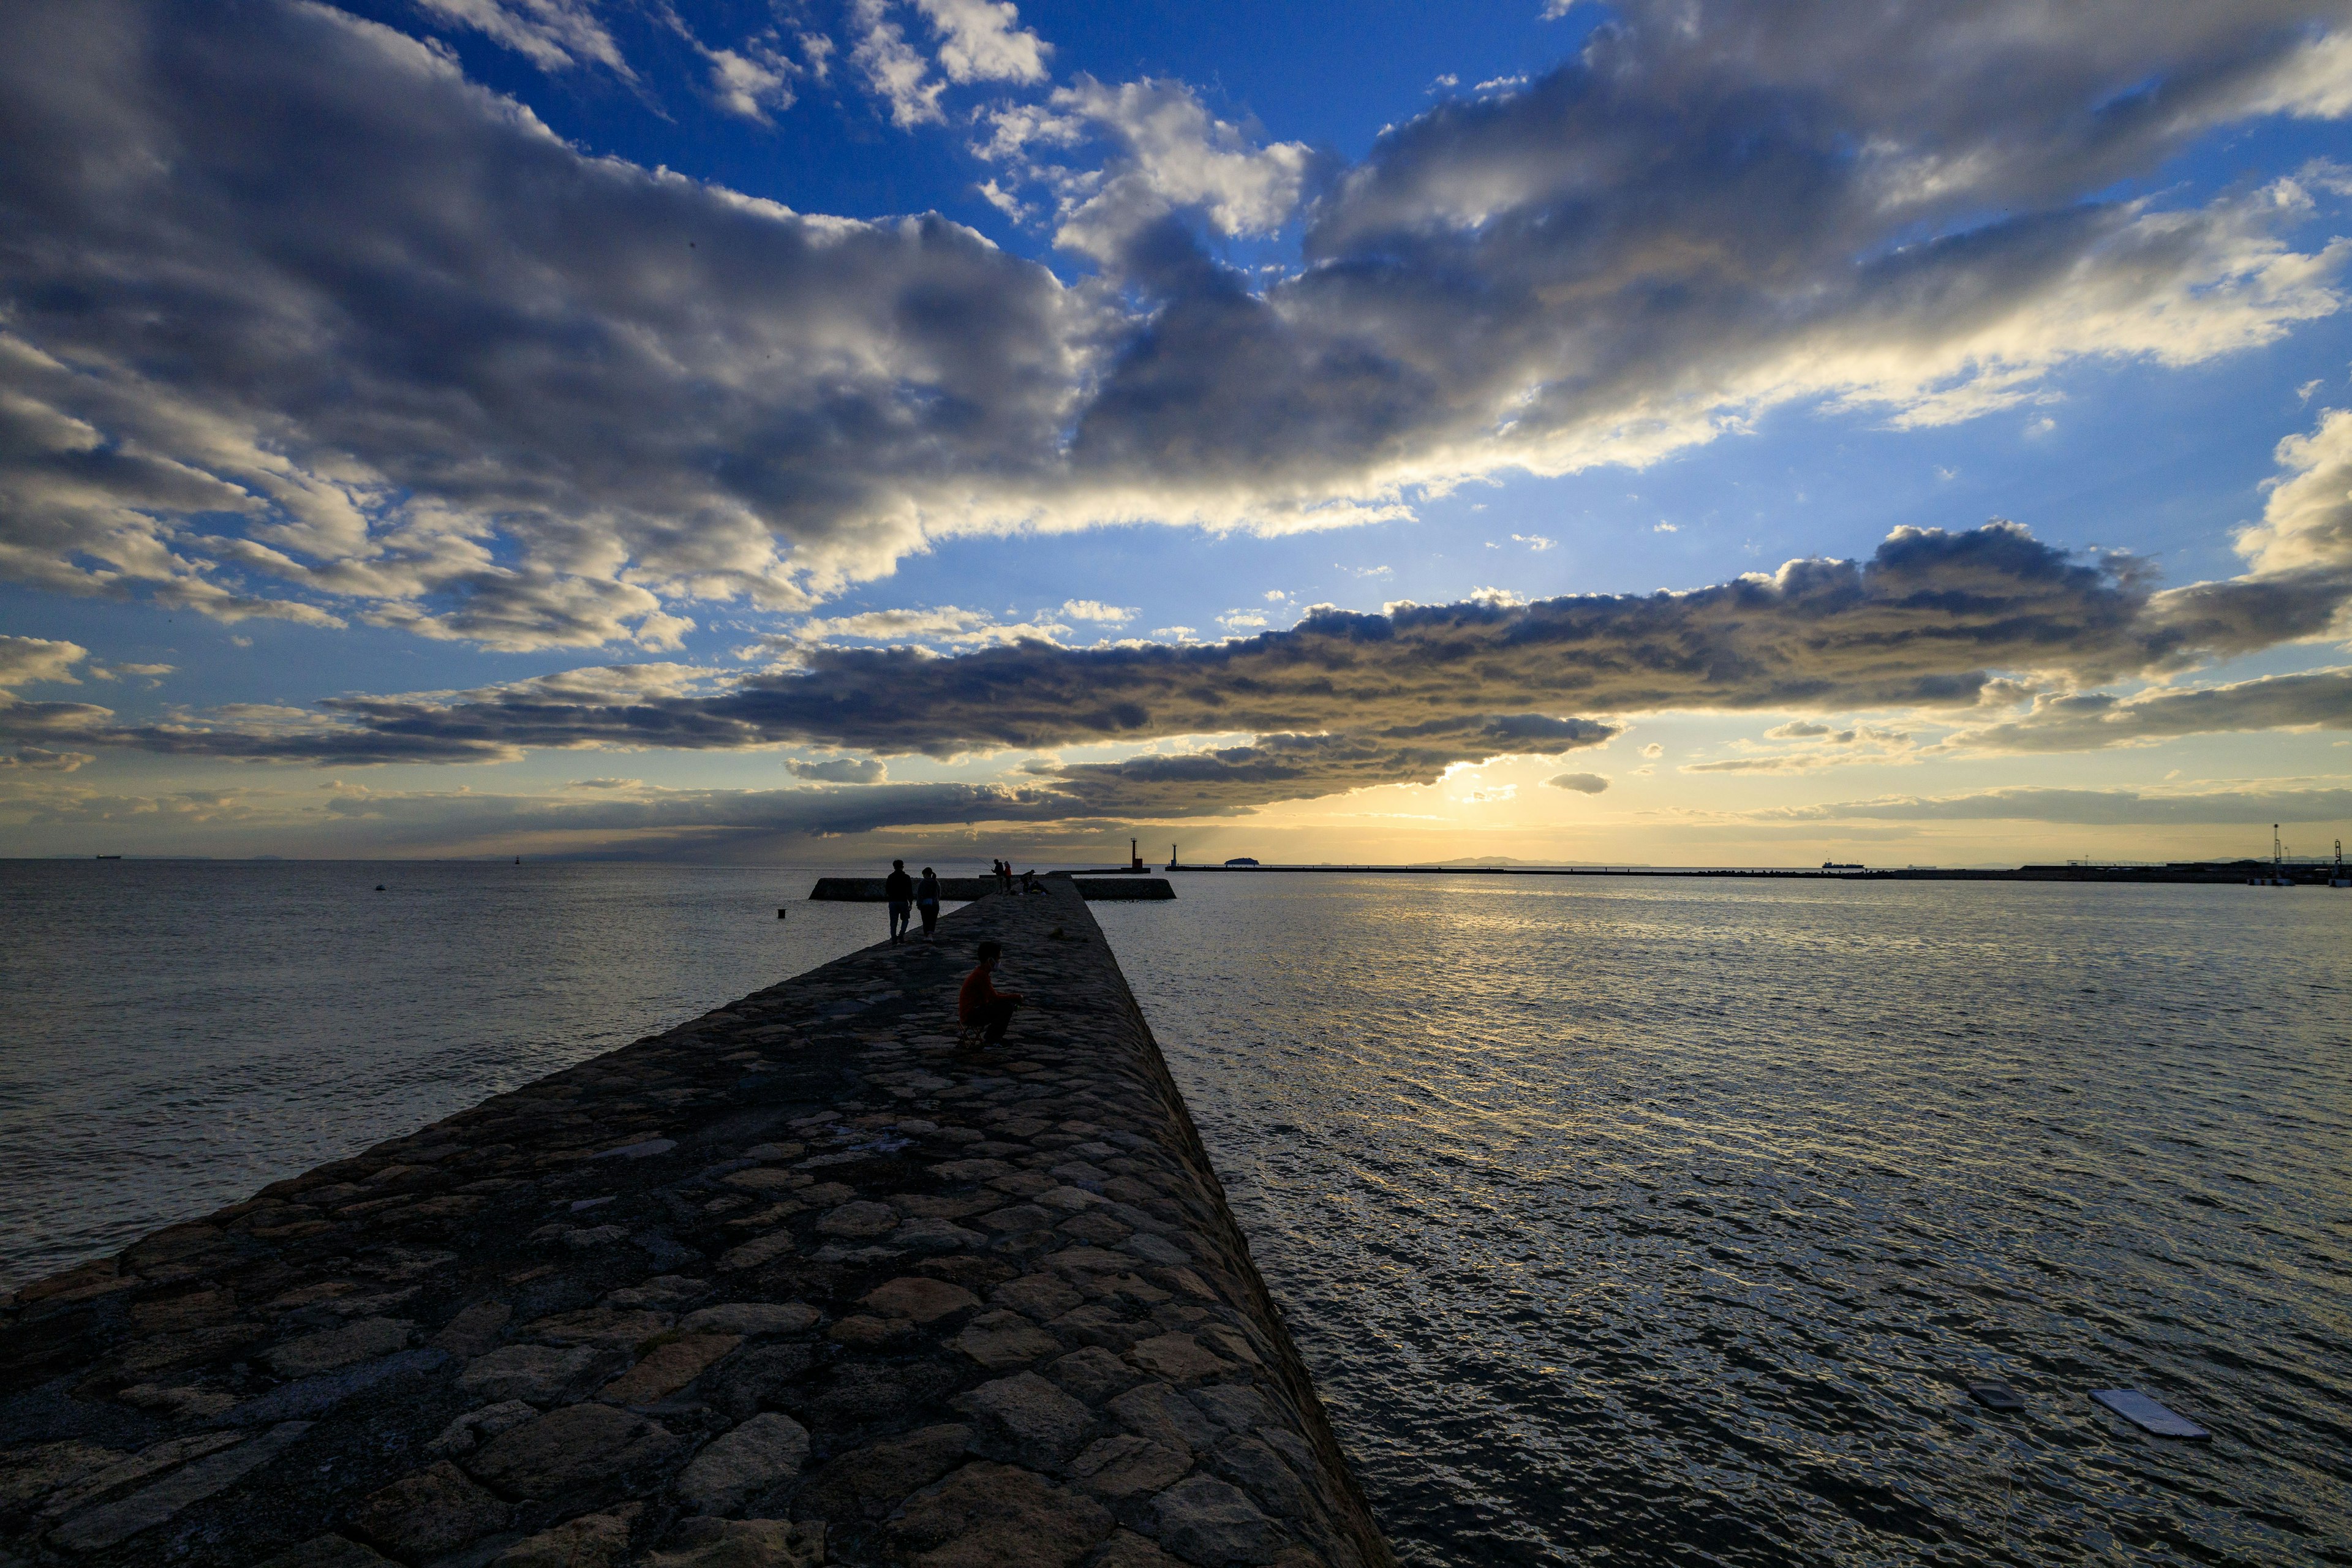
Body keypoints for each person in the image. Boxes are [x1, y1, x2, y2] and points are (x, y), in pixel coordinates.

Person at [958, 939, 1022, 1046]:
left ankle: (995, 1038)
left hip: (974, 1011)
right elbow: (994, 998)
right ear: (990, 960)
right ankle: (992, 1041)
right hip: (971, 1015)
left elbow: (991, 996)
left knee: (1008, 1005)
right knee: (1007, 1007)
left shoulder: (982, 973)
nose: (999, 962)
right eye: (998, 958)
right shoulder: (981, 976)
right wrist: (1015, 997)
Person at [884, 858, 914, 944]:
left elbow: (887, 890)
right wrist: (911, 902)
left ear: (894, 867)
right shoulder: (906, 877)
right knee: (905, 919)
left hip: (893, 901)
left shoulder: (890, 877)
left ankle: (894, 938)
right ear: (903, 867)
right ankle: (901, 935)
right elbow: (909, 891)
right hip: (903, 901)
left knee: (893, 921)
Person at [916, 866, 943, 940]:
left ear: (926, 874)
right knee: (932, 920)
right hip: (935, 904)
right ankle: (930, 936)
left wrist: (919, 904)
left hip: (925, 905)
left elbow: (920, 894)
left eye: (924, 875)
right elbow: (939, 894)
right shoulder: (936, 883)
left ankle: (926, 936)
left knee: (926, 920)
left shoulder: (923, 883)